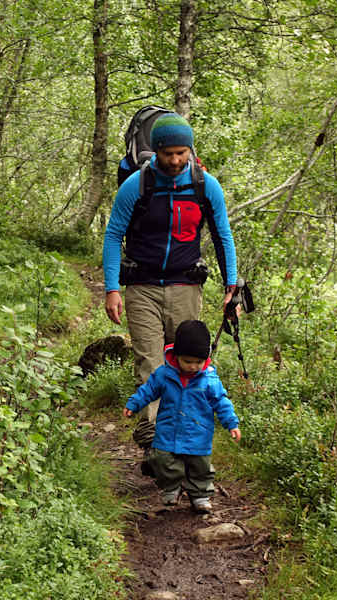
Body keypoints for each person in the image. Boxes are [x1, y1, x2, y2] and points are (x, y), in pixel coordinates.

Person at [102, 112, 239, 455]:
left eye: (182, 153)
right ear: (157, 151)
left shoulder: (206, 186)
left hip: (185, 285)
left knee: (185, 362)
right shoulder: (137, 185)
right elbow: (113, 235)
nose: (176, 160)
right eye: (169, 154)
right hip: (141, 285)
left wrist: (231, 286)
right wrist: (112, 288)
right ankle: (154, 444)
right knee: (151, 362)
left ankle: (184, 437)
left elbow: (223, 236)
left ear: (191, 150)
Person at [122, 319, 241, 512]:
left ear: (207, 358)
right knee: (163, 460)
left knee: (200, 466)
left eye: (198, 362)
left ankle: (200, 494)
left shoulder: (210, 379)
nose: (193, 366)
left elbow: (222, 402)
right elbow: (149, 390)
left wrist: (232, 424)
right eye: (187, 361)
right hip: (168, 430)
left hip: (198, 433)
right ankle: (172, 487)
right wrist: (134, 404)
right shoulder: (164, 374)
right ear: (176, 356)